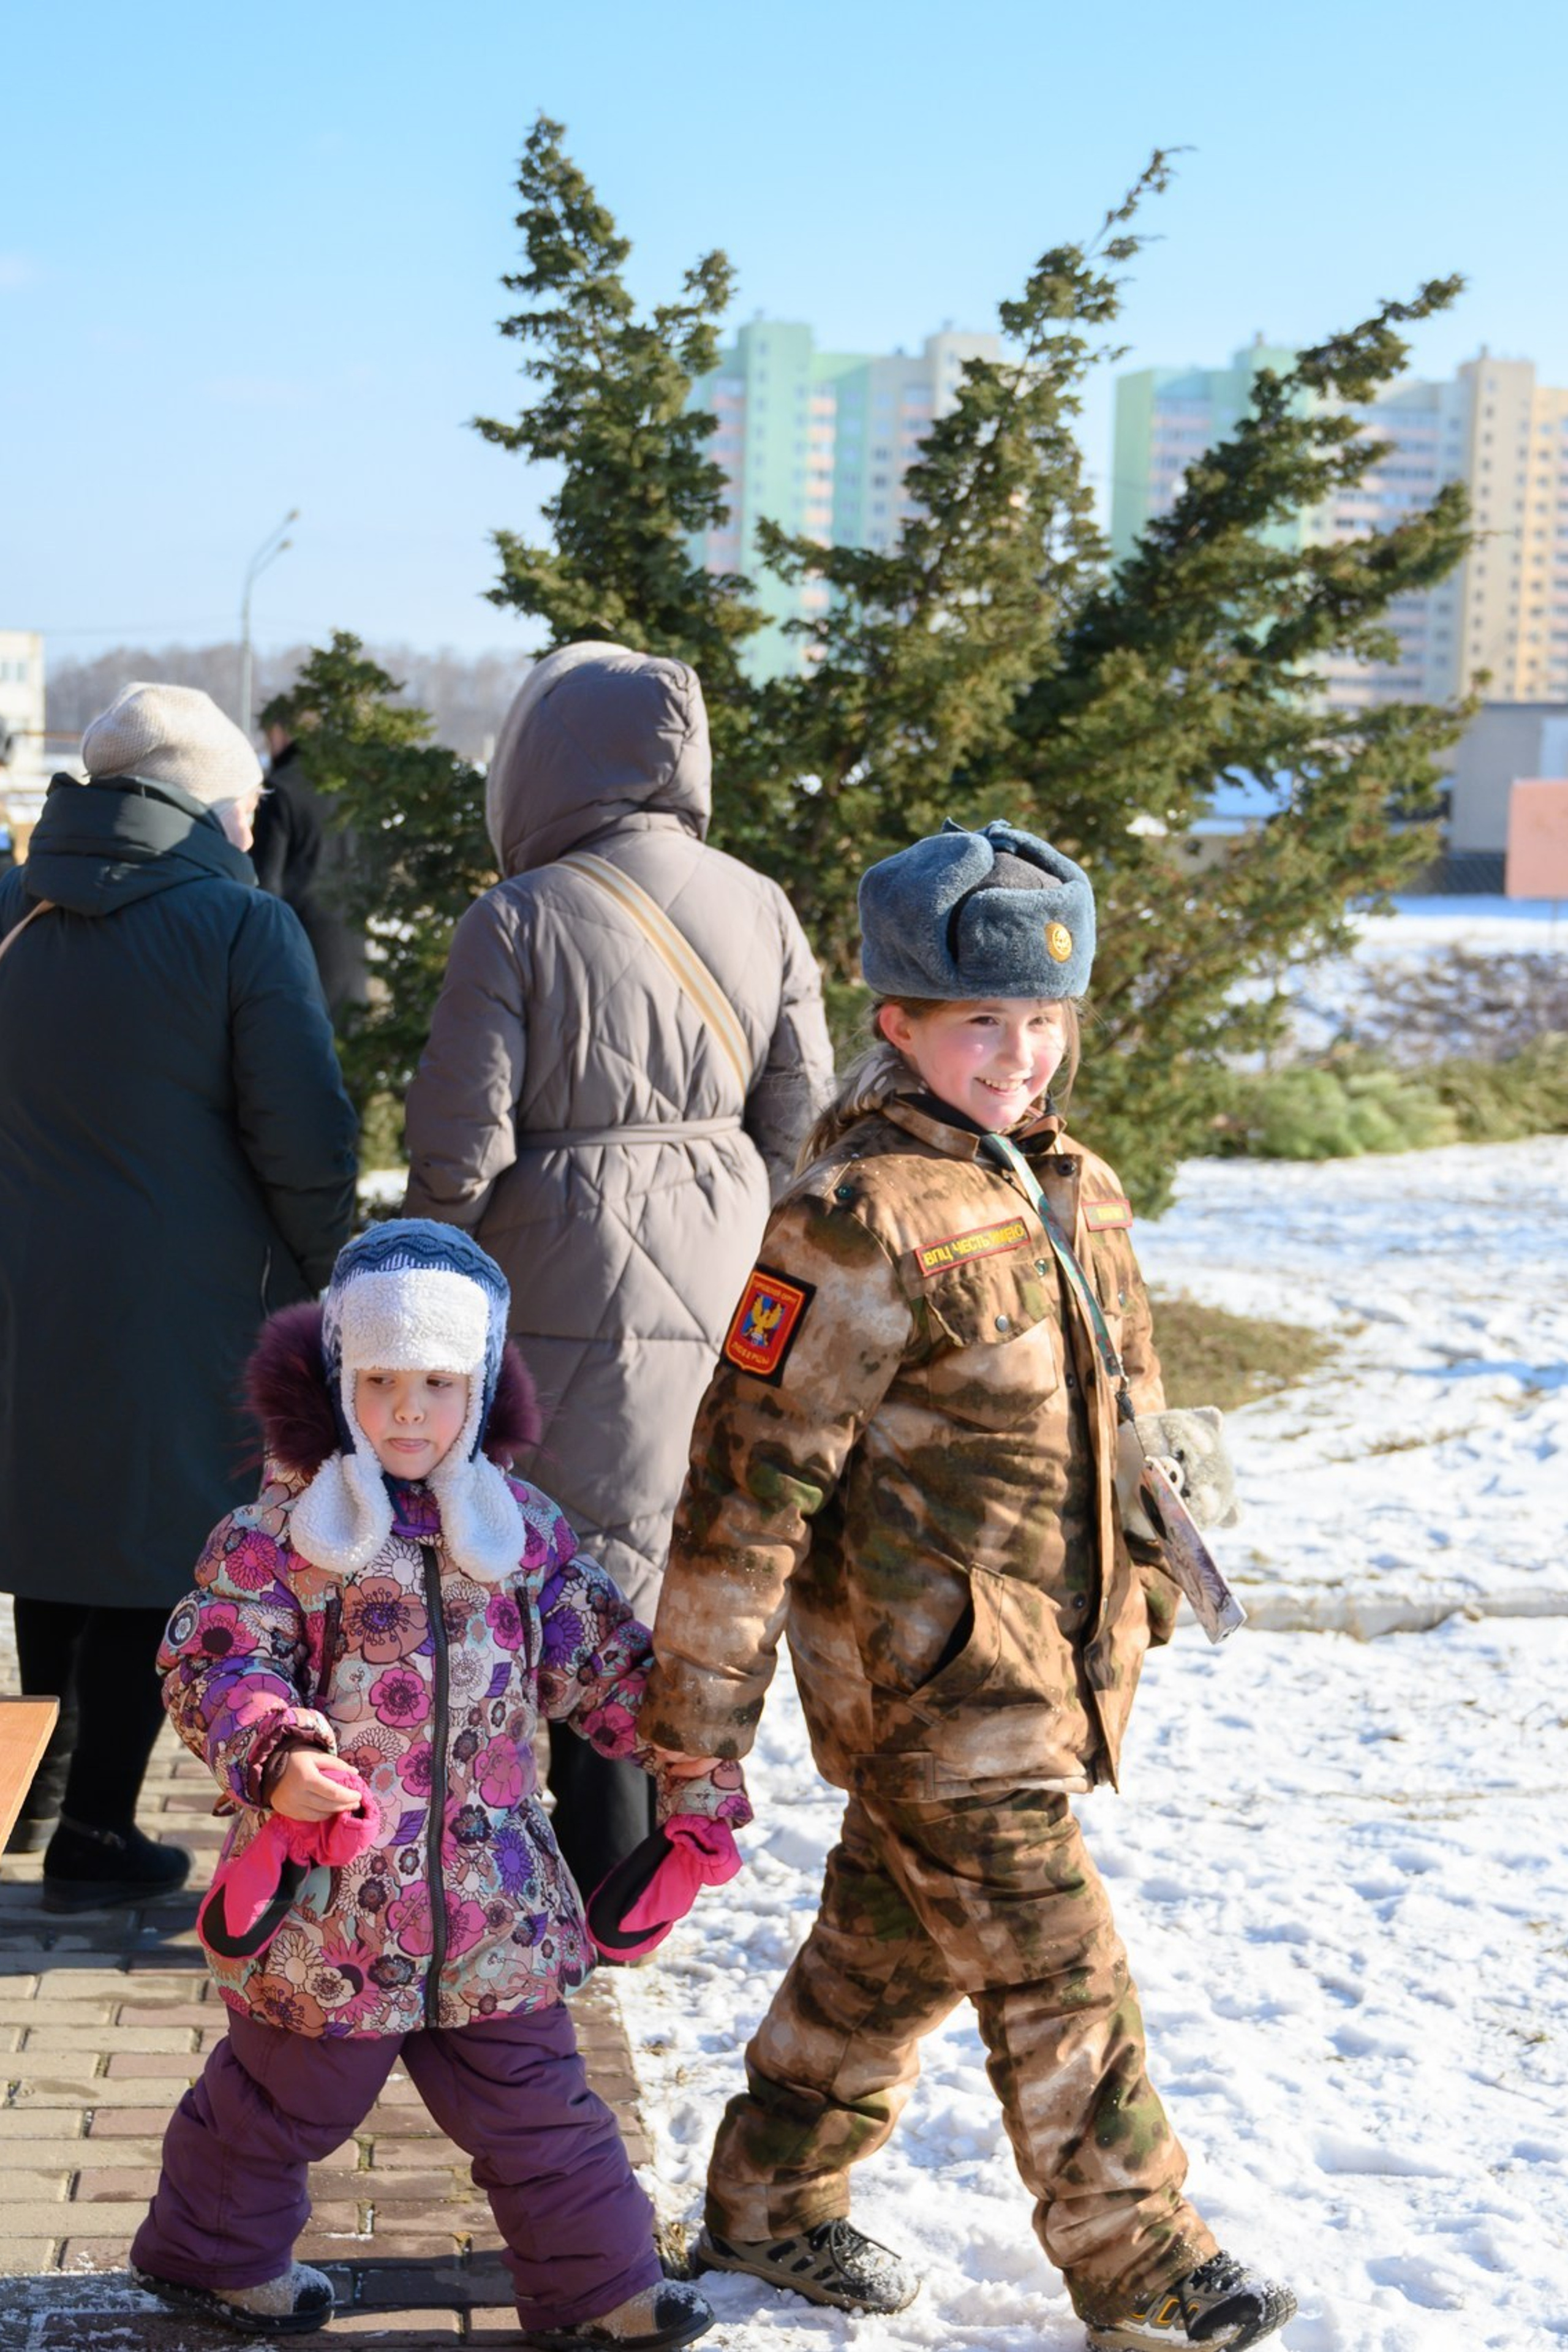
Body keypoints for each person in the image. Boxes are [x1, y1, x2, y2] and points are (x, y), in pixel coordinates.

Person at [641, 820, 1298, 2352]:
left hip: (1047, 1662)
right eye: (982, 1022)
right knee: (1058, 1969)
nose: (1021, 1055)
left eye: (1046, 1020)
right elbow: (749, 1474)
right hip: (930, 1679)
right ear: (900, 1024)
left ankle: (767, 2198)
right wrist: (697, 1704)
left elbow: (1123, 1404)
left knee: (882, 1951)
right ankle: (1141, 2261)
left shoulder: (1078, 1190)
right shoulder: (852, 1216)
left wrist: (1159, 1539)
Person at [130, 1219, 747, 2347]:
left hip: (494, 1902)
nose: (410, 1409)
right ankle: (209, 2256)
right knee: (278, 2104)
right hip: (332, 1909)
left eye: (438, 1383)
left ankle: (599, 2288)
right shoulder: (281, 1537)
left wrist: (687, 1743)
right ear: (334, 1379)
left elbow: (603, 1661)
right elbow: (219, 1655)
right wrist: (278, 1754)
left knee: (543, 2109)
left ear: (481, 1387)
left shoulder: (521, 1536)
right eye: (380, 1381)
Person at [404, 641, 832, 1899]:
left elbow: (461, 1142)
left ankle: (580, 1868)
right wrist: (738, 1222)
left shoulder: (516, 916)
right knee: (662, 1548)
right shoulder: (758, 902)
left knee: (562, 1559)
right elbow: (798, 1113)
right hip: (722, 1250)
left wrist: (418, 1263)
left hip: (554, 1258)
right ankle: (641, 1854)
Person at [0, 683, 358, 1903]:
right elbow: (303, 1135)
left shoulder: (14, 907)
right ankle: (95, 1828)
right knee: (162, 1554)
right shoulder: (241, 926)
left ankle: (29, 1795)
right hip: (189, 1297)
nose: (254, 823)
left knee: (48, 1537)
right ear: (207, 801)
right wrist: (328, 1274)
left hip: (23, 1285)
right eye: (245, 802)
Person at [250, 712, 368, 1027]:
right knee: (351, 1050)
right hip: (351, 936)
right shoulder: (349, 786)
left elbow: (265, 884)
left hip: (300, 939)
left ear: (282, 733)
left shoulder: (280, 789)